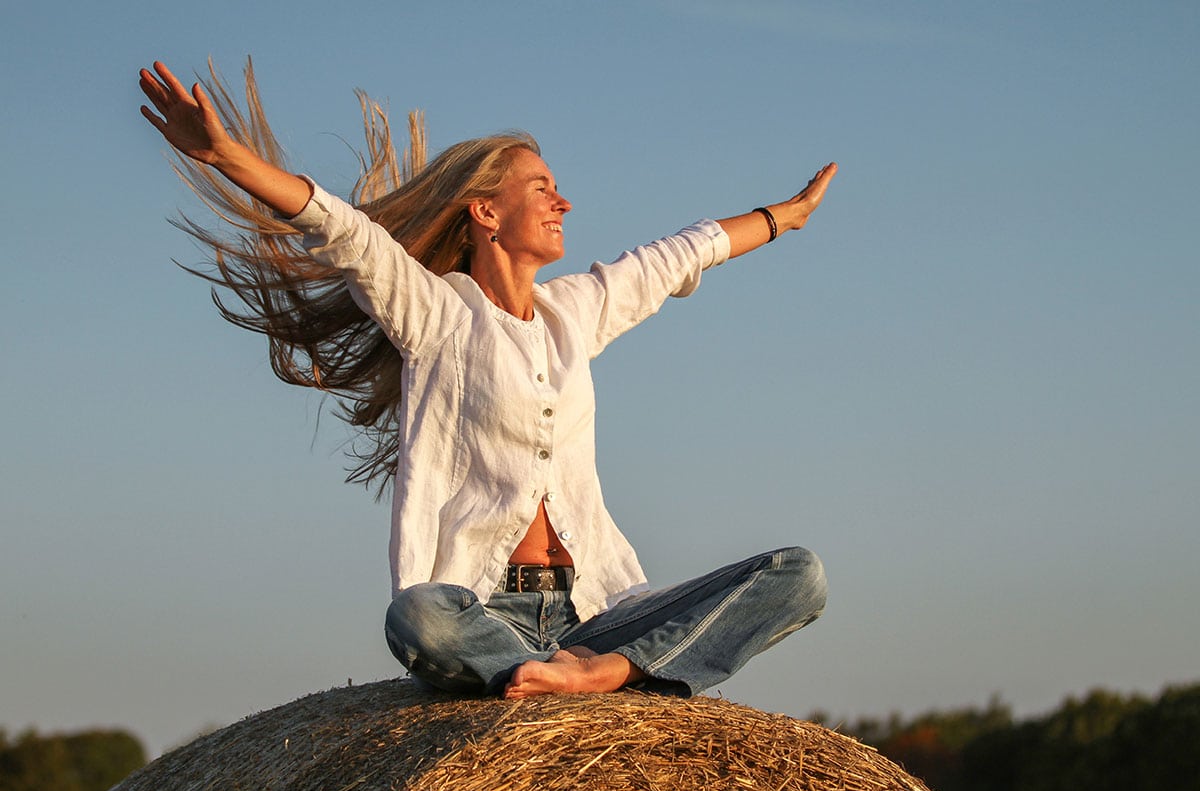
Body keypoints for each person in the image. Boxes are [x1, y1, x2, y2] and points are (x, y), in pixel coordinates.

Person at [139, 60, 836, 699]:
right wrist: (227, 156)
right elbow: (347, 234)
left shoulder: (574, 312)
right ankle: (554, 674)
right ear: (486, 212)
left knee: (798, 575)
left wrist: (786, 217)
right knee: (417, 617)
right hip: (482, 611)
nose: (563, 202)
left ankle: (606, 672)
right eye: (542, 188)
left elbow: (673, 258)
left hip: (598, 610)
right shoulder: (436, 314)